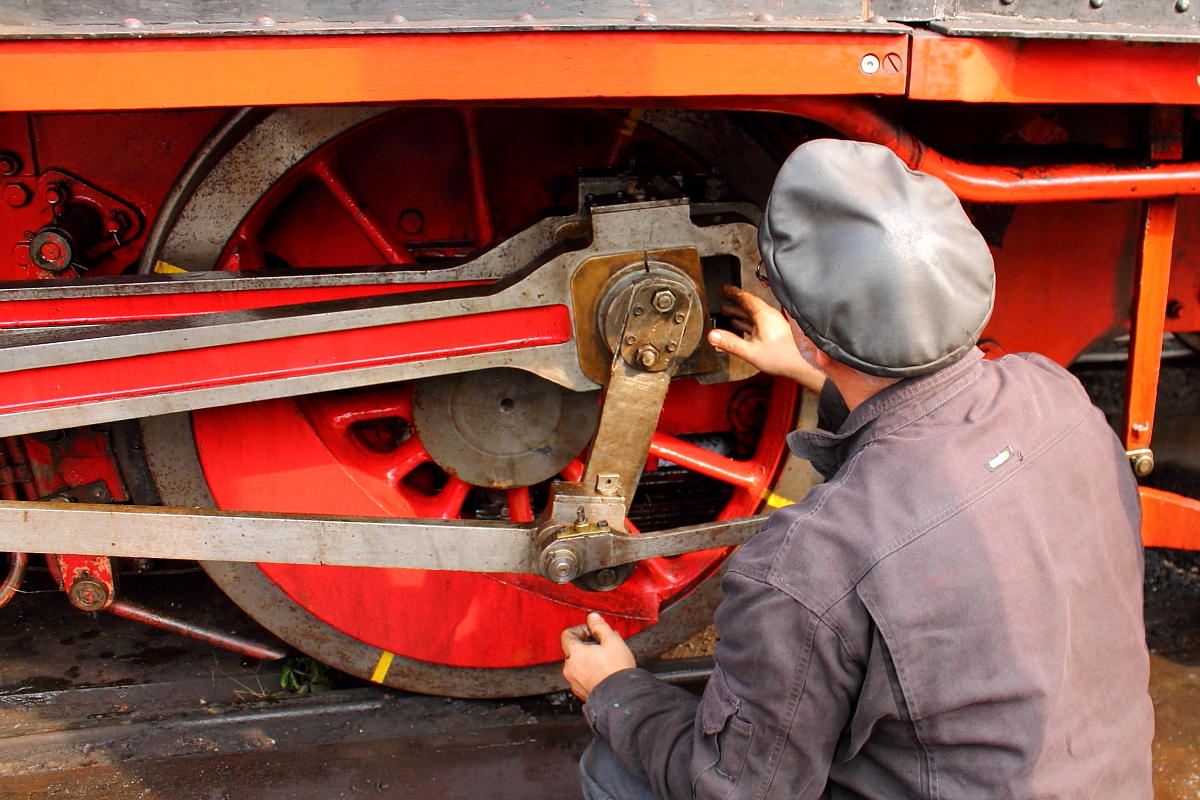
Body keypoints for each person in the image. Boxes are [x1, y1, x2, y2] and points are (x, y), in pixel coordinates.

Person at [560, 139, 1154, 800]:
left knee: (617, 770)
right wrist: (817, 364)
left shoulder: (809, 562)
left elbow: (738, 789)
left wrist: (616, 691)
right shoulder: (1056, 395)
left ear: (805, 331)